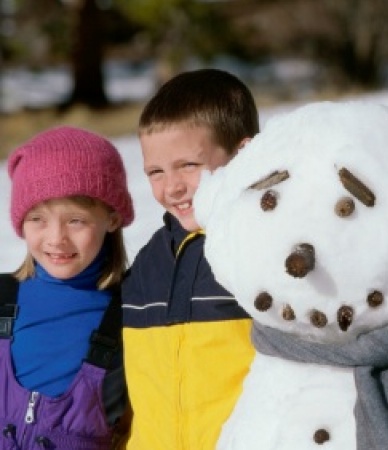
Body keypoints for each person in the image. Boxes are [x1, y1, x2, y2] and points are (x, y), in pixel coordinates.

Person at [121, 68, 260, 450]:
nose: (172, 186)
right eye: (155, 172)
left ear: (243, 153)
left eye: (188, 165)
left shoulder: (262, 251)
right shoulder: (148, 264)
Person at [1, 126, 134, 449]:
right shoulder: (3, 297)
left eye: (75, 220)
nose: (56, 238)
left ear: (112, 218)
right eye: (38, 219)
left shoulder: (132, 311)